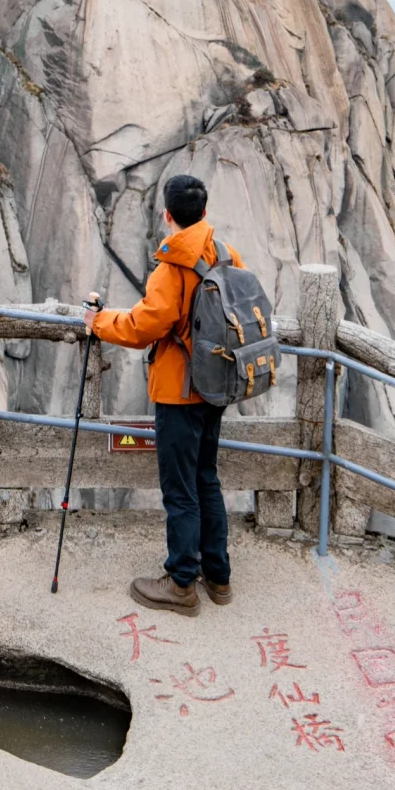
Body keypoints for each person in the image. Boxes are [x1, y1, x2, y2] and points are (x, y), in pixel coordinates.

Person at [83, 173, 244, 617]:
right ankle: (219, 575)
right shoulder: (226, 255)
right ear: (204, 212)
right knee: (206, 478)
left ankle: (180, 584)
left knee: (180, 490)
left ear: (167, 214)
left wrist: (97, 322)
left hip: (178, 393)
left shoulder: (172, 267)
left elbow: (142, 327)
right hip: (216, 387)